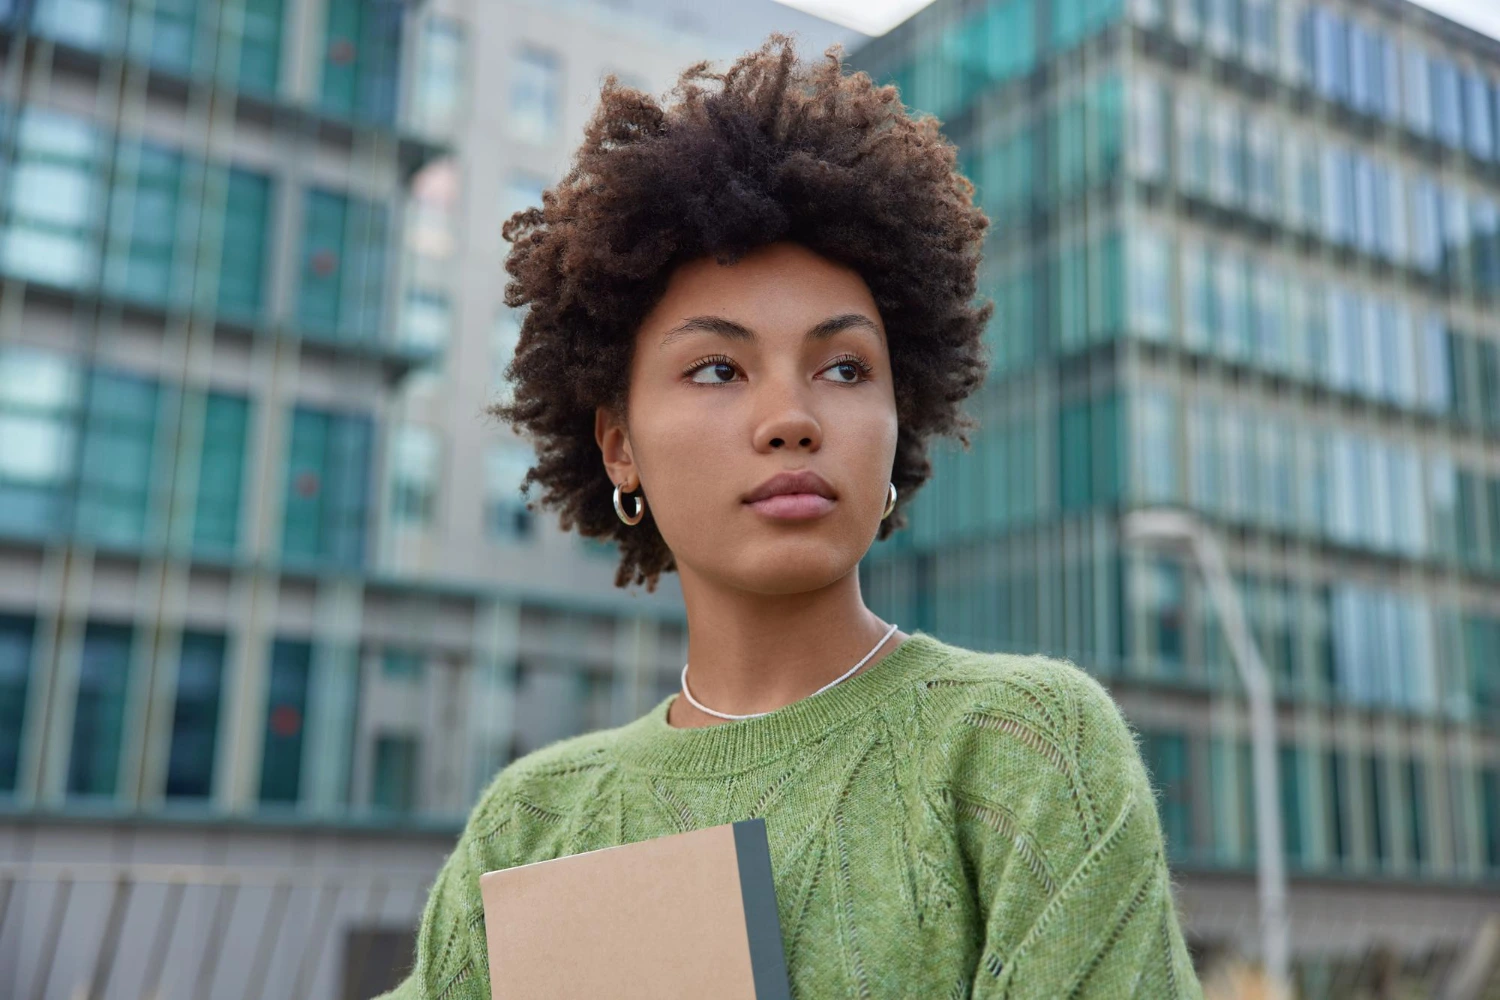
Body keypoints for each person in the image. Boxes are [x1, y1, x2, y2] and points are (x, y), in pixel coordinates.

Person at [378, 32, 1203, 999]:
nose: (792, 420)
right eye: (717, 368)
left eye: (845, 367)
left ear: (902, 417)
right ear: (619, 445)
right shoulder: (530, 829)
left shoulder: (1022, 753)